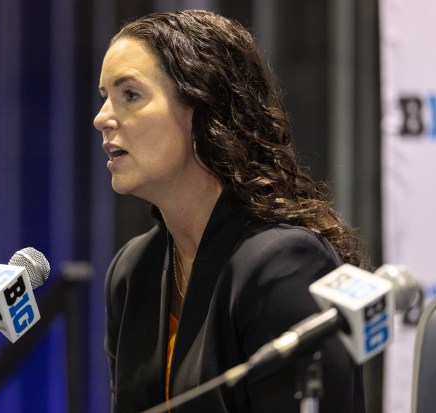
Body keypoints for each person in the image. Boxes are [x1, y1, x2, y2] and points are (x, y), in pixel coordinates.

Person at [93, 9, 369, 413]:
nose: (102, 118)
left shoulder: (283, 265)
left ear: (203, 108)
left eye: (130, 95)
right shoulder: (132, 271)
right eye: (105, 98)